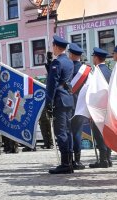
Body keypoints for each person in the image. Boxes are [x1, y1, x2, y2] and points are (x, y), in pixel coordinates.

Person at [46, 35, 74, 174]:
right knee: (67, 132)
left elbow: (52, 84)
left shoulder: (57, 63)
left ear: (57, 47)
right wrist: (49, 67)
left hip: (59, 100)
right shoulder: (68, 62)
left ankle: (65, 164)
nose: (53, 49)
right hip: (68, 99)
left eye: (53, 46)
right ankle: (69, 161)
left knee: (61, 132)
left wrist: (48, 101)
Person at [89, 47, 112, 168]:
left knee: (99, 134)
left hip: (98, 109)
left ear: (96, 58)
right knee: (107, 133)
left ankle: (103, 160)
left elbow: (93, 92)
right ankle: (108, 158)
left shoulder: (97, 72)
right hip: (109, 108)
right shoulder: (109, 71)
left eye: (93, 57)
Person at [68, 43, 88, 170]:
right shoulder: (86, 70)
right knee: (78, 132)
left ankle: (68, 160)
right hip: (80, 104)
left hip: (68, 104)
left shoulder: (67, 68)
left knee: (68, 132)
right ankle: (78, 160)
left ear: (70, 54)